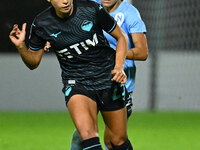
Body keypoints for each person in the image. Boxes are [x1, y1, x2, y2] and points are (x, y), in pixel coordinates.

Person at [9, 0, 133, 150]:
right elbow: (33, 62)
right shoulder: (42, 23)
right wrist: (22, 47)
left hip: (108, 78)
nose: (66, 1)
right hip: (76, 83)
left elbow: (122, 37)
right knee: (88, 135)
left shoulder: (91, 9)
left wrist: (119, 67)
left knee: (117, 141)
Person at [70, 0, 148, 149]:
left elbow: (142, 52)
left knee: (112, 141)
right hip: (90, 81)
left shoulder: (130, 14)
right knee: (81, 135)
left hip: (117, 84)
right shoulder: (90, 6)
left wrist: (113, 55)